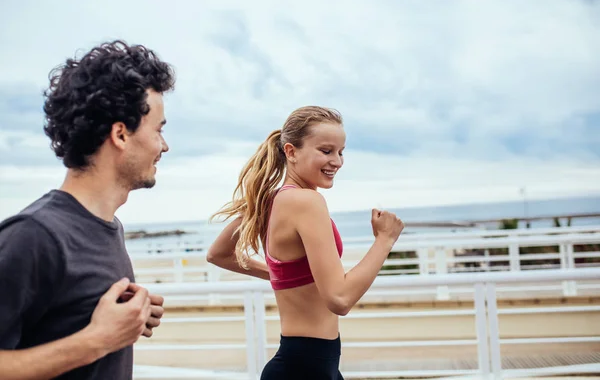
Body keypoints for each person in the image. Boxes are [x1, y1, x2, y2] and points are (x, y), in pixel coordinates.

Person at [0, 40, 175, 379]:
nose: (163, 145)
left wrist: (130, 320)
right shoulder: (33, 236)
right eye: (159, 129)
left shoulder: (110, 226)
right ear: (121, 134)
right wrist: (97, 340)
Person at [207, 106, 404, 379]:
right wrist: (385, 240)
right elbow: (340, 298)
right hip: (306, 366)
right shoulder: (306, 201)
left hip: (307, 362)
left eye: (340, 151)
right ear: (291, 152)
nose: (337, 161)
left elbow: (218, 254)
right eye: (326, 151)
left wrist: (282, 275)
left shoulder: (271, 200)